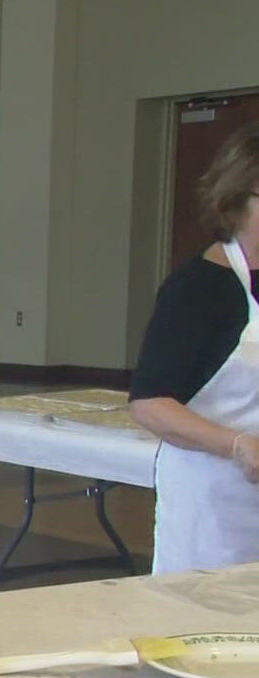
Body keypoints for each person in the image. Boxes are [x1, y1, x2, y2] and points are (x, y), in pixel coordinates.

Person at [130, 121, 259, 574]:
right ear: (237, 202)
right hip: (217, 501)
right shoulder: (200, 288)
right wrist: (237, 444)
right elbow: (150, 404)